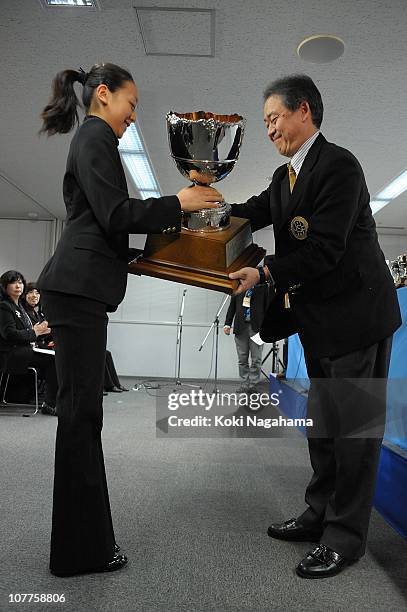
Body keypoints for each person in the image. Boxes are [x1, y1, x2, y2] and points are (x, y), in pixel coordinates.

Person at [37, 62, 223, 577]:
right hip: (75, 290)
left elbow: (105, 226)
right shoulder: (95, 136)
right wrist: (179, 203)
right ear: (103, 95)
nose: (133, 115)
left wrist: (148, 256)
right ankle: (79, 553)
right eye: (131, 103)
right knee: (80, 420)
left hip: (79, 288)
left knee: (82, 418)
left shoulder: (95, 140)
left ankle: (83, 546)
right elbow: (117, 215)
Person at [228, 75, 401, 579]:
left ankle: (345, 537)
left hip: (359, 319)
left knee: (355, 432)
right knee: (322, 427)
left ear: (304, 111)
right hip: (321, 320)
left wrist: (264, 271)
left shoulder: (339, 166)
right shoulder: (286, 179)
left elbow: (324, 250)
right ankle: (319, 513)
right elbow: (252, 212)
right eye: (265, 124)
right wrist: (206, 207)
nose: (269, 130)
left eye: (273, 119)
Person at [0, 271, 57, 414]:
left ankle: (51, 399)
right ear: (4, 286)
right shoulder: (4, 306)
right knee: (53, 360)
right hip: (10, 353)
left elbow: (28, 332)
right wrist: (35, 332)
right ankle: (50, 403)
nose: (18, 285)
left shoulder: (19, 307)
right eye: (13, 282)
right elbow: (10, 334)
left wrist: (41, 332)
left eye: (20, 282)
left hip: (22, 350)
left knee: (55, 355)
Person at [223, 285, 269, 394]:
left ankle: (253, 385)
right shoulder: (238, 287)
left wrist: (268, 327)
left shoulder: (263, 287)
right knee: (242, 359)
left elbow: (267, 307)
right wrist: (227, 324)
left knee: (256, 359)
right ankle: (244, 384)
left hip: (257, 328)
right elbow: (232, 306)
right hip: (240, 327)